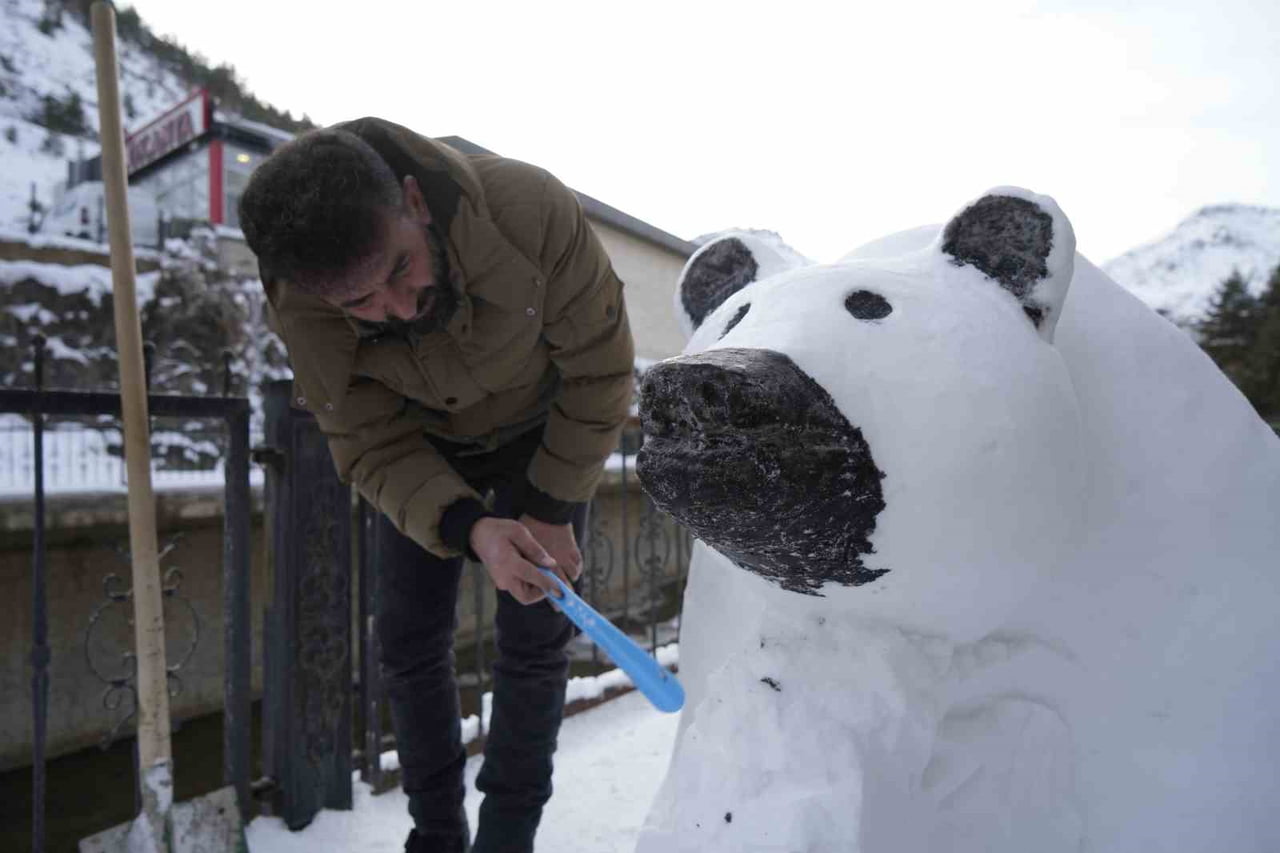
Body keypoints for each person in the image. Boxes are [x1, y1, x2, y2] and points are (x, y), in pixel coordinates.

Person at [238, 117, 635, 853]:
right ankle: (438, 835)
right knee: (409, 637)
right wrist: (468, 527)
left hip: (541, 438)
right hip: (421, 450)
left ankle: (507, 836)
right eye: (358, 305)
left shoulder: (532, 211)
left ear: (415, 201)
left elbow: (601, 368)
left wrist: (547, 508)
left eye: (398, 268)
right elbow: (367, 440)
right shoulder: (302, 304)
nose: (394, 306)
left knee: (535, 639)